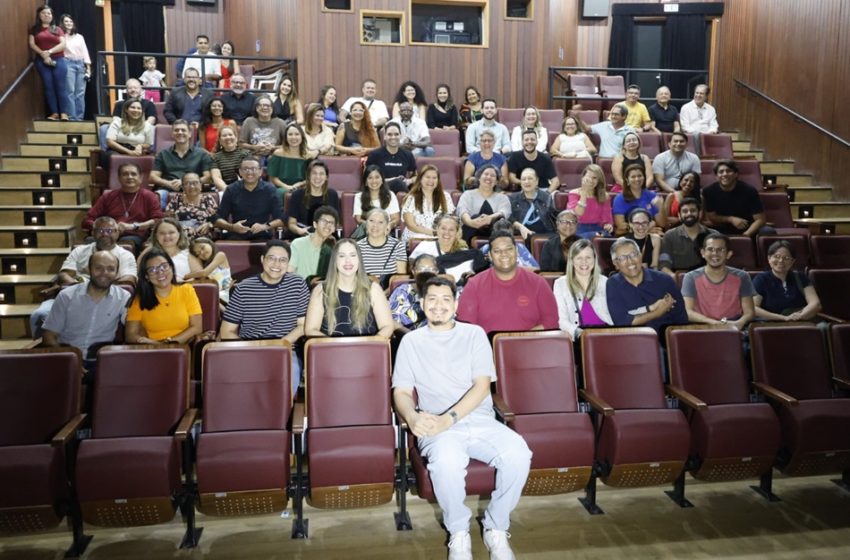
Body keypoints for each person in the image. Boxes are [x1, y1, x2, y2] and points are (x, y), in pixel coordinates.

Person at [392, 275, 532, 560]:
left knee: (519, 454)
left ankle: (496, 526)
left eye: (446, 299)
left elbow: (482, 386)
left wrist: (450, 418)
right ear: (421, 303)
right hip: (436, 424)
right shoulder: (411, 342)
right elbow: (402, 391)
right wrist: (411, 415)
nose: (439, 305)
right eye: (432, 299)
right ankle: (458, 531)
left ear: (456, 304)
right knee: (446, 462)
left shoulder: (474, 334)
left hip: (478, 420)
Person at [220, 240, 308, 391]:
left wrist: (279, 345)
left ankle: (283, 414)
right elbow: (226, 331)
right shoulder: (243, 288)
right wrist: (253, 349)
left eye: (282, 260)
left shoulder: (297, 284)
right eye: (271, 258)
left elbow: (303, 325)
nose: (277, 264)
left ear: (288, 263)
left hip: (285, 349)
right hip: (249, 350)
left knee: (286, 383)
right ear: (262, 260)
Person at [30, 217, 137, 338]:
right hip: (72, 295)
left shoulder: (125, 255)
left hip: (107, 298)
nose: (105, 234)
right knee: (39, 315)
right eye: (100, 231)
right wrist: (80, 289)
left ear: (117, 233)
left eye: (109, 230)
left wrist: (95, 288)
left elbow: (128, 279)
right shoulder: (80, 251)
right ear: (92, 233)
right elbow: (64, 274)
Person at [457, 230, 558, 333]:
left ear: (517, 252)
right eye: (497, 251)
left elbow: (551, 321)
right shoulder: (474, 285)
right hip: (488, 347)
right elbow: (467, 328)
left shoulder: (538, 283)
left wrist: (520, 340)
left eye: (509, 249)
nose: (504, 254)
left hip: (530, 346)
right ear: (490, 256)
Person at [41, 250, 130, 363]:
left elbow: (133, 326)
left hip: (101, 362)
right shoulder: (67, 296)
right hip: (67, 359)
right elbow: (49, 336)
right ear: (89, 269)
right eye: (98, 268)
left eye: (111, 269)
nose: (104, 272)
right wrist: (69, 361)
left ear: (117, 273)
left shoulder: (123, 297)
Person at [304, 239, 394, 337]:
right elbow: (310, 330)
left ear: (359, 259)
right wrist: (334, 346)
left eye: (353, 255)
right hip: (331, 350)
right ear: (334, 260)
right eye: (342, 256)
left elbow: (387, 326)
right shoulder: (320, 290)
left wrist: (371, 345)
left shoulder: (373, 289)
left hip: (367, 350)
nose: (348, 261)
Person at [606, 237, 688, 334]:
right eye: (623, 258)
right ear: (615, 263)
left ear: (640, 255)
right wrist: (657, 313)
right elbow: (622, 321)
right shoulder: (613, 284)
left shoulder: (664, 280)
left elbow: (681, 319)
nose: (630, 261)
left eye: (633, 254)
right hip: (632, 340)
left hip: (665, 339)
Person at [125, 249, 203, 344]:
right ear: (146, 276)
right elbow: (130, 335)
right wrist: (152, 344)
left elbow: (197, 328)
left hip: (183, 348)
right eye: (152, 269)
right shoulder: (140, 298)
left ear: (171, 267)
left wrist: (165, 343)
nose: (160, 272)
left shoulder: (187, 290)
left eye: (164, 266)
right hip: (151, 351)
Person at [682, 233, 756, 330]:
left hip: (734, 325)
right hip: (703, 327)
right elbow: (688, 312)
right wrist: (715, 323)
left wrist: (739, 323)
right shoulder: (690, 277)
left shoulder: (742, 276)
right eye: (710, 249)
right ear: (703, 253)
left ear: (729, 254)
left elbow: (749, 312)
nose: (715, 253)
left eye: (720, 250)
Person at [82, 162, 163, 251]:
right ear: (119, 178)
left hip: (134, 235)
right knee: (89, 242)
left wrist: (133, 226)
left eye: (133, 174)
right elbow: (87, 220)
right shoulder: (108, 196)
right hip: (106, 234)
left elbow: (157, 220)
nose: (129, 177)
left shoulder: (149, 196)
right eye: (125, 174)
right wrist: (106, 228)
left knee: (126, 243)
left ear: (140, 178)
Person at [554, 239, 613, 340]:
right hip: (579, 338)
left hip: (607, 335)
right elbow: (561, 320)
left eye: (588, 257)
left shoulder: (605, 282)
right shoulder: (560, 284)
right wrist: (581, 335)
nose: (584, 262)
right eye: (579, 258)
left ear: (594, 259)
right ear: (572, 260)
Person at [215, 157, 285, 240]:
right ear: (240, 172)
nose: (249, 172)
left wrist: (265, 226)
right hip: (237, 234)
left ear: (260, 172)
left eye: (253, 169)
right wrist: (232, 227)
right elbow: (218, 219)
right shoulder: (231, 189)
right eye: (245, 169)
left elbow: (281, 219)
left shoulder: (270, 190)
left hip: (262, 233)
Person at [753, 240, 822, 322]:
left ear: (792, 261)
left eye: (786, 258)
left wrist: (799, 316)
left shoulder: (800, 277)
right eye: (777, 256)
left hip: (800, 322)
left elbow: (815, 304)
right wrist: (784, 318)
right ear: (769, 258)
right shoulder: (761, 279)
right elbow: (753, 308)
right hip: (772, 326)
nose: (781, 261)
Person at [150, 119, 213, 209]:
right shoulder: (163, 154)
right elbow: (153, 177)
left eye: (183, 130)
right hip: (168, 189)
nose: (180, 132)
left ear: (190, 134)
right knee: (158, 196)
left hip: (194, 189)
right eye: (176, 130)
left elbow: (208, 178)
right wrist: (168, 183)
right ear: (172, 134)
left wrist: (184, 183)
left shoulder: (201, 154)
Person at [703, 159, 772, 237]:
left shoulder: (749, 191)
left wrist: (745, 235)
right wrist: (731, 219)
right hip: (721, 229)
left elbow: (760, 220)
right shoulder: (709, 191)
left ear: (736, 174)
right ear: (716, 176)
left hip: (747, 228)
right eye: (721, 172)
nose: (725, 174)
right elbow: (712, 217)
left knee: (768, 231)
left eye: (728, 171)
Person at [409, 213, 487, 283]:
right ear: (437, 229)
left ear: (457, 233)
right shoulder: (424, 246)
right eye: (443, 228)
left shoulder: (465, 253)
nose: (447, 233)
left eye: (451, 230)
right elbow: (414, 273)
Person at [29, 5, 70, 121]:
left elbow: (63, 44)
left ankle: (64, 113)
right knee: (48, 87)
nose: (46, 15)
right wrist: (43, 54)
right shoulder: (34, 29)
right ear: (39, 15)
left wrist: (49, 52)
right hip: (41, 62)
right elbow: (32, 44)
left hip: (59, 60)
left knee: (61, 87)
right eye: (44, 13)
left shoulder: (57, 29)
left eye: (49, 13)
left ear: (52, 16)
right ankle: (54, 113)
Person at [659, 197, 718, 276]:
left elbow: (719, 262)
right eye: (685, 211)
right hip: (679, 277)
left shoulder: (713, 235)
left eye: (693, 211)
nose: (689, 213)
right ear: (679, 215)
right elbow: (664, 264)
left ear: (699, 213)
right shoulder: (669, 236)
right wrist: (674, 277)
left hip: (706, 277)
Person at [456, 164, 511, 243]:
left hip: (495, 232)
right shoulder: (467, 194)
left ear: (496, 181)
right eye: (486, 174)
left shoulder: (503, 198)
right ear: (479, 178)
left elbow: (504, 212)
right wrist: (470, 222)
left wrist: (490, 218)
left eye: (492, 175)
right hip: (470, 230)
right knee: (474, 217)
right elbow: (462, 211)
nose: (488, 177)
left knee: (501, 223)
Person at [401, 164, 455, 244]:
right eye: (427, 177)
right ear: (420, 179)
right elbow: (411, 225)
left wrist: (440, 234)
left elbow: (450, 220)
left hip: (440, 238)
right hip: (416, 237)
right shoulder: (411, 198)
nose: (431, 181)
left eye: (434, 178)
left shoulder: (445, 196)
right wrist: (432, 233)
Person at [287, 160, 340, 237]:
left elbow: (336, 223)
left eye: (321, 174)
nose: (317, 177)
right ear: (308, 176)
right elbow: (291, 223)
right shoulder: (297, 195)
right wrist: (300, 231)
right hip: (303, 236)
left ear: (326, 177)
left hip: (326, 236)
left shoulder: (332, 194)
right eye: (314, 173)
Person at [139, 217, 202, 282]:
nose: (167, 236)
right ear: (156, 235)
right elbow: (141, 278)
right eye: (162, 233)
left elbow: (200, 278)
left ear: (179, 234)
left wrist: (183, 282)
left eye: (171, 232)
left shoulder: (188, 254)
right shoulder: (148, 254)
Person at [389, 254, 439, 333]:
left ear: (437, 272)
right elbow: (392, 320)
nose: (426, 272)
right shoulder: (403, 291)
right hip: (407, 336)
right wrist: (412, 336)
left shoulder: (443, 291)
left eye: (431, 269)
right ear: (413, 271)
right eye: (421, 269)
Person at [289, 205, 339, 282]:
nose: (328, 225)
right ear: (315, 224)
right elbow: (289, 273)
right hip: (301, 290)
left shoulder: (335, 249)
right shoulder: (297, 244)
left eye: (331, 223)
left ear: (334, 229)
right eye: (324, 221)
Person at [364, 121, 418, 194]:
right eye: (389, 134)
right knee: (398, 183)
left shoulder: (408, 154)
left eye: (396, 134)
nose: (393, 137)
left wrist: (409, 181)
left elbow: (415, 176)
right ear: (385, 137)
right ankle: (409, 202)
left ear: (400, 136)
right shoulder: (375, 154)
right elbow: (368, 178)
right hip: (379, 189)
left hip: (401, 191)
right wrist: (392, 180)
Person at [356, 208, 407, 281]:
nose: (375, 225)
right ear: (366, 223)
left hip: (391, 290)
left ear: (387, 225)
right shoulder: (357, 246)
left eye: (380, 222)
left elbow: (401, 278)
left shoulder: (398, 246)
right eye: (371, 221)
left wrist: (384, 292)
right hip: (365, 289)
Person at [612, 164, 664, 235]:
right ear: (627, 180)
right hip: (629, 235)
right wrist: (646, 229)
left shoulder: (652, 196)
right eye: (633, 177)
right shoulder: (619, 199)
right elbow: (621, 227)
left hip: (650, 235)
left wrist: (660, 208)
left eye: (640, 176)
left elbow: (662, 225)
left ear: (644, 178)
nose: (637, 179)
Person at [267, 123, 312, 204]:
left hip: (302, 187)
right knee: (279, 193)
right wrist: (287, 187)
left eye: (297, 134)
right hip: (281, 187)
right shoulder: (278, 153)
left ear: (302, 136)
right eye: (290, 134)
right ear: (286, 137)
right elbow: (273, 178)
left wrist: (299, 184)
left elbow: (310, 178)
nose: (293, 137)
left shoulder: (308, 156)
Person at [165, 173, 218, 239]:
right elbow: (168, 219)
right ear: (183, 187)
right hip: (180, 237)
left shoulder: (207, 199)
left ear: (201, 185)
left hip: (202, 237)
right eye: (187, 183)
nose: (192, 186)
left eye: (195, 183)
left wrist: (209, 224)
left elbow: (217, 218)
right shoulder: (177, 199)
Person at [567, 163, 613, 239]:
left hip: (598, 229)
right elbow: (577, 214)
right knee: (584, 239)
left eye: (595, 178)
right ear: (583, 178)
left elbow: (607, 219)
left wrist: (608, 225)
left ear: (599, 180)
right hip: (579, 228)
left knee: (604, 236)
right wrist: (584, 193)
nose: (591, 181)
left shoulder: (605, 196)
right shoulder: (573, 193)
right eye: (588, 177)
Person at [509, 168, 555, 241]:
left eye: (530, 178)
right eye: (523, 179)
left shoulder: (546, 197)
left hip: (545, 235)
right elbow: (508, 218)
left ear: (537, 181)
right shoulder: (513, 198)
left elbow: (553, 217)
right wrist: (520, 227)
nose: (526, 181)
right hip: (520, 235)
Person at [353, 165, 400, 235]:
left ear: (382, 180)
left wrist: (389, 225)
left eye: (377, 177)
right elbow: (358, 219)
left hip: (386, 232)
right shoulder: (359, 196)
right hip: (366, 232)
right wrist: (373, 227)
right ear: (365, 182)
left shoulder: (390, 195)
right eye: (370, 178)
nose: (374, 181)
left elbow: (395, 219)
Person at [59, 14, 90, 121]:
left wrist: (88, 69)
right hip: (68, 63)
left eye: (70, 21)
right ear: (62, 23)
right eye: (66, 21)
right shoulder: (61, 37)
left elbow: (85, 52)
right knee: (70, 92)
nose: (69, 23)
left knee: (80, 93)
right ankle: (72, 117)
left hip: (81, 64)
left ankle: (80, 117)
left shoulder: (79, 37)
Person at [104, 99, 154, 164]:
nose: (136, 110)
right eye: (133, 107)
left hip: (136, 151)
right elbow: (110, 142)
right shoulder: (117, 122)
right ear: (126, 110)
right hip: (117, 151)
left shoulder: (147, 126)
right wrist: (129, 152)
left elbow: (148, 144)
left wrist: (141, 146)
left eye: (139, 108)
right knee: (113, 158)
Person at [185, 237, 232, 304]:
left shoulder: (220, 255)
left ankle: (226, 312)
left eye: (202, 248)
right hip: (215, 293)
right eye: (198, 254)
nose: (202, 252)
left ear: (209, 243)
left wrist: (186, 276)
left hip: (225, 292)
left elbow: (205, 273)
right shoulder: (204, 265)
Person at [210, 123, 252, 191]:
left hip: (244, 187)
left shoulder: (246, 153)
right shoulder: (215, 157)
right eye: (224, 135)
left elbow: (249, 174)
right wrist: (228, 190)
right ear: (220, 141)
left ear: (236, 138)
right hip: (225, 189)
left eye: (230, 134)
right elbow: (216, 178)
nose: (228, 137)